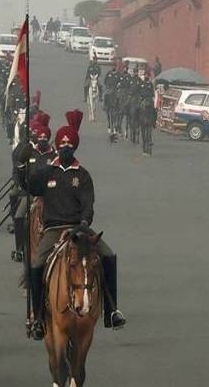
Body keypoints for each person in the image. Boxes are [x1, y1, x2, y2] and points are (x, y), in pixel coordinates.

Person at [20, 110, 125, 339]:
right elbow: (29, 186)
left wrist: (84, 223)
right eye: (62, 143)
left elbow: (89, 204)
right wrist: (22, 163)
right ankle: (37, 317)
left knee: (108, 255)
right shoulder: (47, 172)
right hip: (52, 229)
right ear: (57, 146)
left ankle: (111, 310)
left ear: (74, 147)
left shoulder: (83, 175)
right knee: (37, 264)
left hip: (79, 228)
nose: (66, 146)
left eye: (69, 143)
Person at [10, 112, 53, 262]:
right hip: (30, 192)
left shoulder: (53, 155)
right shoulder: (29, 152)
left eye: (44, 138)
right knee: (19, 216)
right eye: (39, 137)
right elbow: (18, 167)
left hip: (48, 195)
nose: (41, 140)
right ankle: (20, 248)